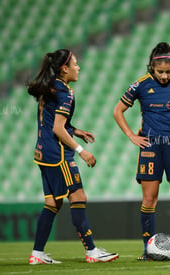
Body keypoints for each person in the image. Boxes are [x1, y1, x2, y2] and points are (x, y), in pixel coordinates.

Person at [113, 42, 170, 261]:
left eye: (168, 71)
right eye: (160, 72)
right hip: (150, 146)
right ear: (151, 68)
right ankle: (147, 250)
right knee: (148, 200)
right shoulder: (140, 85)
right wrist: (131, 135)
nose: (164, 76)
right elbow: (118, 110)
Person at [27, 49, 119, 264]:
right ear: (64, 69)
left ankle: (37, 254)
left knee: (52, 204)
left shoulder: (48, 87)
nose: (78, 68)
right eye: (75, 64)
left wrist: (76, 130)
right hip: (59, 155)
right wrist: (81, 150)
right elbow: (58, 129)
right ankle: (92, 252)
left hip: (42, 152)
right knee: (78, 197)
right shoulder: (65, 93)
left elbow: (52, 121)